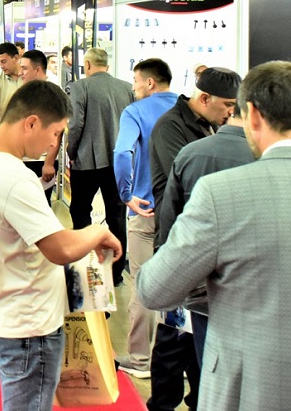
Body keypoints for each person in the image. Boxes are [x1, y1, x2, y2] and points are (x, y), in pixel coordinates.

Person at [137, 61, 291, 411]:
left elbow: (154, 289)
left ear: (252, 114)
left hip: (245, 384)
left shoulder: (220, 192)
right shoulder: (174, 129)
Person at [0, 81, 122, 411]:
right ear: (31, 123)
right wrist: (96, 233)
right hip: (28, 326)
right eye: (56, 133)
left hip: (7, 316)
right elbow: (59, 248)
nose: (54, 144)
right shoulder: (14, 178)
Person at [145, 66, 241, 411]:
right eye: (227, 105)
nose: (230, 112)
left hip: (203, 245)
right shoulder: (171, 127)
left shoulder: (210, 125)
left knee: (192, 338)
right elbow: (192, 185)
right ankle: (163, 404)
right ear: (204, 98)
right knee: (172, 337)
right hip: (178, 245)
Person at [155, 104, 255, 366]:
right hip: (253, 292)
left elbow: (170, 224)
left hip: (200, 287)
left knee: (206, 364)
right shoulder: (263, 157)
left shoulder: (190, 153)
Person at [111, 58, 178, 379]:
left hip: (146, 208)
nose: (134, 87)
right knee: (181, 283)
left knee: (142, 282)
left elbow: (122, 152)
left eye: (136, 81)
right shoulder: (185, 108)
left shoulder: (135, 112)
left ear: (150, 82)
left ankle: (140, 359)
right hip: (181, 211)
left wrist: (126, 194)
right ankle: (178, 359)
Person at [67, 47, 134, 283]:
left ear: (87, 64)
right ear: (107, 64)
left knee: (80, 212)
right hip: (118, 162)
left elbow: (75, 124)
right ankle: (115, 274)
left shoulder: (80, 87)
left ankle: (86, 267)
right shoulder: (127, 87)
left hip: (86, 161)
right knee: (117, 216)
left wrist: (71, 151)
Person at [18, 50, 61, 204]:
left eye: (24, 68)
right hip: (23, 160)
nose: (20, 72)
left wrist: (48, 163)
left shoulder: (52, 92)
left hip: (40, 161)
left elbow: (57, 131)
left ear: (37, 70)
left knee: (40, 206)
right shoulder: (26, 91)